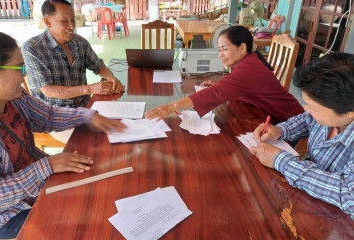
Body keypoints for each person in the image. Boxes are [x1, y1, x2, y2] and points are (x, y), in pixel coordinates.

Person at [0, 30, 126, 239]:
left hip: (36, 183)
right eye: (20, 67)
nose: (25, 74)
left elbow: (47, 116)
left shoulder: (14, 97)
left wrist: (87, 116)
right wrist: (46, 167)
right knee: (79, 225)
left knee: (98, 191)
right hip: (3, 215)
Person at [250, 52, 354, 219]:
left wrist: (280, 161)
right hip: (307, 200)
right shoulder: (328, 113)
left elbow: (349, 194)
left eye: (313, 106)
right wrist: (280, 130)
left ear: (350, 113)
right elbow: (306, 121)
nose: (306, 109)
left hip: (336, 221)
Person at [146, 26, 304, 123]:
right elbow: (240, 86)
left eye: (225, 49)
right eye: (219, 50)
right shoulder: (248, 61)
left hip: (289, 123)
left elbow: (216, 93)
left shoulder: (250, 68)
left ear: (242, 48)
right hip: (266, 115)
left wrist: (173, 106)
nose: (221, 54)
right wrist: (224, 86)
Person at [22, 0, 125, 109]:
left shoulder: (79, 42)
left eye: (73, 20)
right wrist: (91, 88)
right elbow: (48, 90)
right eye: (64, 21)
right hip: (53, 115)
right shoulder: (32, 48)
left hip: (83, 108)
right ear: (48, 21)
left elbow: (99, 66)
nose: (71, 26)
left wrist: (111, 78)